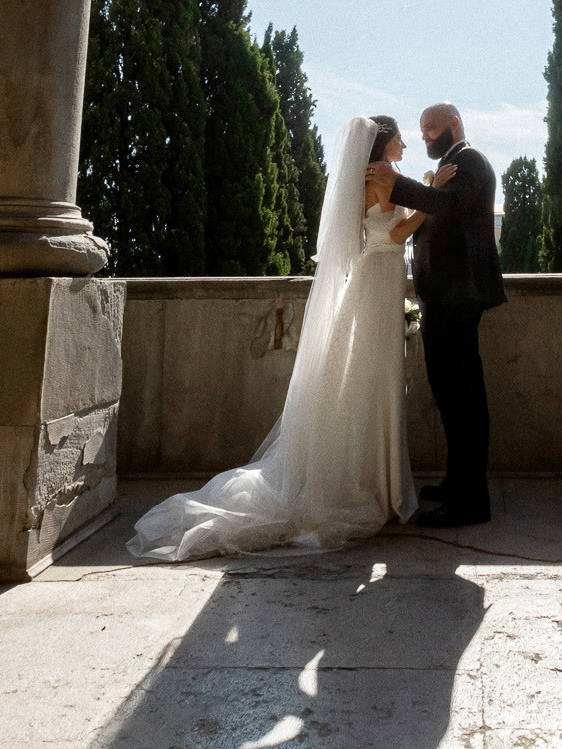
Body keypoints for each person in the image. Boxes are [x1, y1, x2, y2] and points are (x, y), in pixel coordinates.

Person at [126, 115, 444, 559]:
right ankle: (376, 485)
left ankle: (376, 479)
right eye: (400, 140)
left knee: (371, 380)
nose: (406, 145)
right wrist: (430, 199)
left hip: (376, 279)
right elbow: (394, 233)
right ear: (383, 143)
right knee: (377, 379)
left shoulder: (367, 177)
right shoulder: (381, 179)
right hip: (379, 279)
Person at [367, 103, 505, 527]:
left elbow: (453, 208)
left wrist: (398, 184)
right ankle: (455, 482)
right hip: (441, 300)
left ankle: (471, 501)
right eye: (422, 129)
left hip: (458, 299)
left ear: (455, 125)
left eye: (431, 128)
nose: (424, 135)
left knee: (463, 398)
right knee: (449, 395)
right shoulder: (449, 164)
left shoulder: (469, 161)